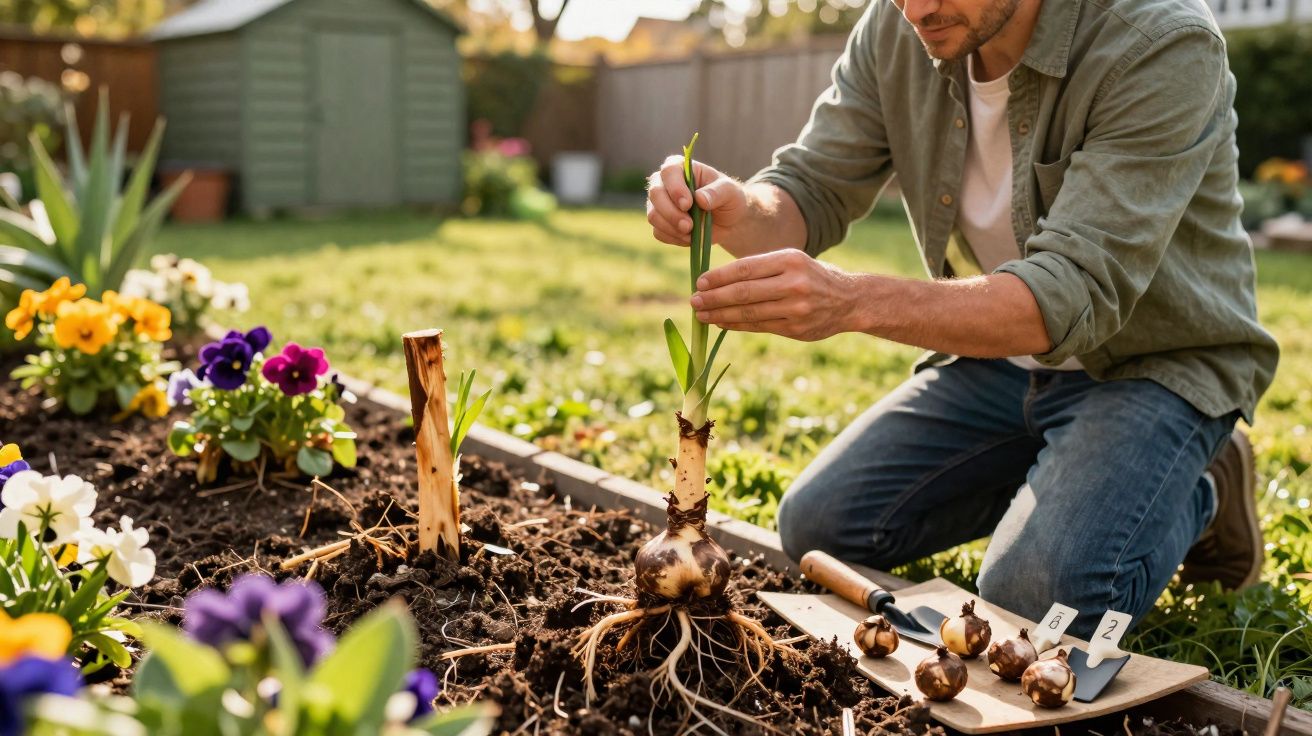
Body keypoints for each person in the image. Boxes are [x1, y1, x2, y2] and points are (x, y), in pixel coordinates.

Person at [644, 0, 1278, 637]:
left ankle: (1203, 486)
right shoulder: (902, 29)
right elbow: (812, 185)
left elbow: (1066, 293)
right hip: (998, 364)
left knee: (1037, 598)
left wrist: (852, 300)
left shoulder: (1160, 42)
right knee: (822, 528)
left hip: (1150, 366)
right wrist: (736, 208)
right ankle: (1077, 469)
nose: (916, 8)